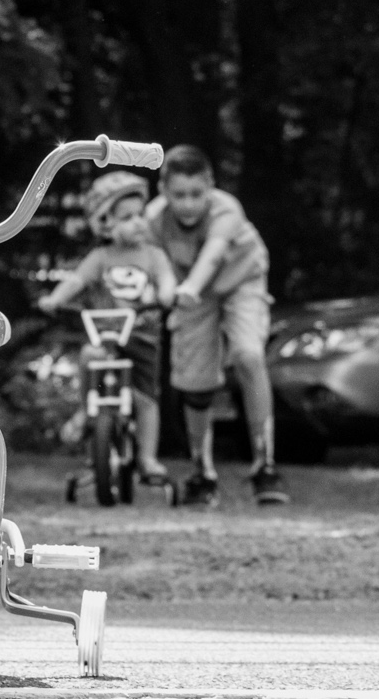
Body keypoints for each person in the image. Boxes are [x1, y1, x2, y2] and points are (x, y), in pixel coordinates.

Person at [146, 144, 289, 507]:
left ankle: (265, 465)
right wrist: (169, 293)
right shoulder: (154, 221)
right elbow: (155, 264)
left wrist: (191, 286)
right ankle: (202, 472)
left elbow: (212, 254)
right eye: (179, 195)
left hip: (240, 280)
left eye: (197, 194)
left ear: (210, 185)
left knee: (248, 355)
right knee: (195, 381)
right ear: (164, 190)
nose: (189, 204)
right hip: (193, 296)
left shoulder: (227, 209)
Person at [38, 170, 178, 481]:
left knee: (145, 399)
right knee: (90, 356)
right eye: (127, 217)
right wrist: (55, 298)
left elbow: (167, 279)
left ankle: (147, 458)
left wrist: (168, 293)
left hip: (142, 337)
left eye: (140, 214)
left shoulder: (154, 256)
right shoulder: (101, 257)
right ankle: (87, 414)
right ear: (105, 223)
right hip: (107, 334)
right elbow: (77, 280)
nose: (138, 222)